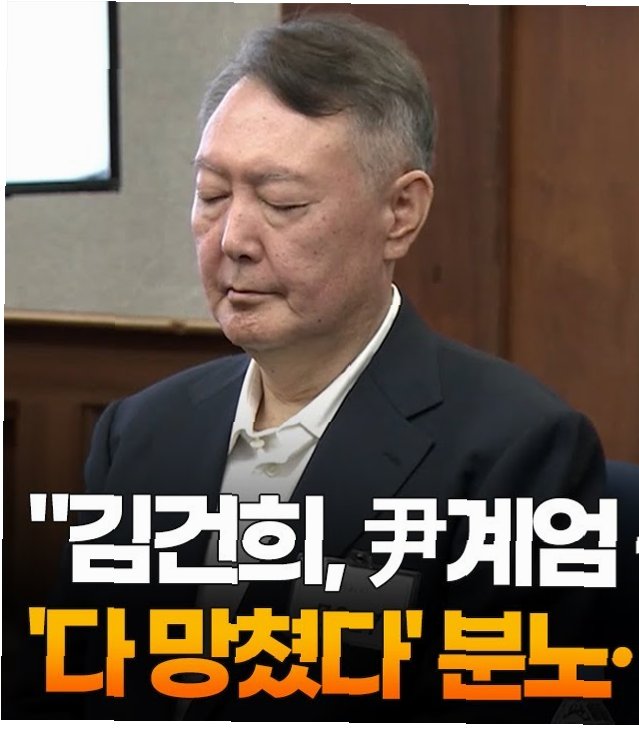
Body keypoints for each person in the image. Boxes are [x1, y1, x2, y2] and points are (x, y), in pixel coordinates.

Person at [30, 13, 607, 722]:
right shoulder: (140, 432)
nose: (233, 239)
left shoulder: (518, 453)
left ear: (400, 212)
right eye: (212, 195)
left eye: (282, 203)